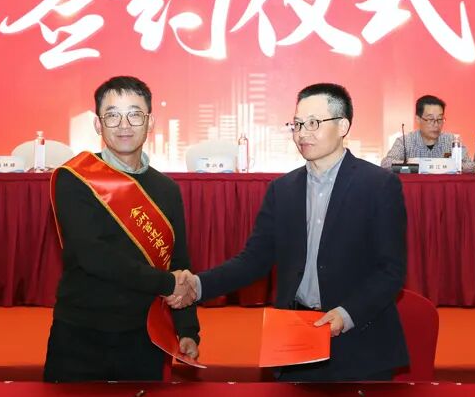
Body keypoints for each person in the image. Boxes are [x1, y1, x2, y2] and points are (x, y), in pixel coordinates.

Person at [171, 83, 408, 381]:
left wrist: (346, 314)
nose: (302, 133)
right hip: (294, 339)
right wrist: (198, 285)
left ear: (343, 126)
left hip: (358, 340)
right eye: (297, 124)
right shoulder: (282, 190)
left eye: (313, 123)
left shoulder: (378, 185)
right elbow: (253, 260)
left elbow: (391, 271)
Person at [43, 75, 199, 382]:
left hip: (145, 335)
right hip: (81, 334)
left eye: (134, 114)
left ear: (150, 122)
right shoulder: (75, 179)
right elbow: (94, 255)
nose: (124, 125)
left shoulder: (167, 189)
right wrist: (168, 283)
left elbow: (178, 261)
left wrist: (187, 329)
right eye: (112, 115)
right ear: (98, 125)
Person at [380, 94, 474, 172]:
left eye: (440, 119)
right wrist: (412, 163)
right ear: (418, 119)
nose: (436, 124)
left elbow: (471, 166)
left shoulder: (452, 140)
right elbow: (385, 164)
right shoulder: (405, 141)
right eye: (430, 119)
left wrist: (448, 165)